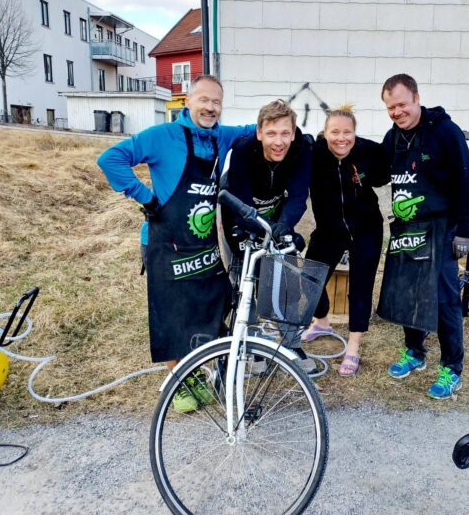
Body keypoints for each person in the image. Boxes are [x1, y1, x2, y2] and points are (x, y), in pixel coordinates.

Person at [97, 74, 255, 412]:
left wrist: (294, 135)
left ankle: (198, 371)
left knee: (209, 308)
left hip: (203, 246)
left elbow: (254, 130)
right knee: (172, 317)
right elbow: (110, 159)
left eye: (217, 102)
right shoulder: (162, 136)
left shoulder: (220, 138)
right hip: (165, 244)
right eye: (204, 100)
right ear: (187, 101)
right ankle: (181, 380)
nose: (210, 107)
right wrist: (147, 199)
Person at [377, 74, 469, 400]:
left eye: (402, 105)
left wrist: (464, 232)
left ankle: (452, 368)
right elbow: (377, 171)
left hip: (443, 229)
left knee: (445, 299)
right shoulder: (393, 137)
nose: (397, 112)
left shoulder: (445, 132)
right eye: (391, 107)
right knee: (409, 293)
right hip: (408, 229)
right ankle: (415, 352)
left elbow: (466, 183)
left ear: (416, 99)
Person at [219, 99, 316, 372]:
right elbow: (241, 202)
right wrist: (263, 234)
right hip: (239, 210)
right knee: (246, 275)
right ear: (259, 133)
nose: (279, 141)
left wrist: (284, 227)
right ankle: (253, 344)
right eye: (271, 133)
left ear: (294, 133)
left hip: (276, 212)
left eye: (285, 133)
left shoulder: (302, 149)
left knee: (286, 272)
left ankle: (291, 341)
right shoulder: (242, 150)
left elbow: (298, 196)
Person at [301, 104, 389, 376]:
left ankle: (353, 347)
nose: (342, 138)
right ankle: (323, 321)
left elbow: (386, 169)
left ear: (355, 133)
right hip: (329, 230)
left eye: (347, 132)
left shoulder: (368, 151)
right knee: (309, 279)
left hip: (366, 229)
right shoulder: (314, 154)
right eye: (335, 132)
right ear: (324, 133)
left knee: (360, 288)